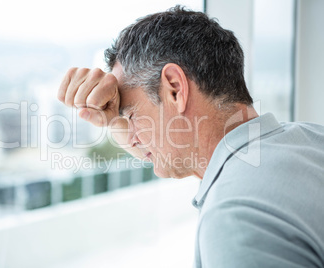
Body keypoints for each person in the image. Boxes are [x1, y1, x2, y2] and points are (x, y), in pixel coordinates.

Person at [57, 5, 324, 268]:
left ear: (175, 89)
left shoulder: (235, 215)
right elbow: (150, 146)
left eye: (131, 116)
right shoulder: (311, 140)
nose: (133, 138)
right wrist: (115, 117)